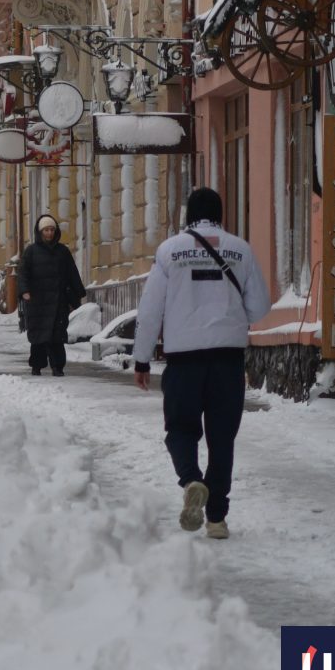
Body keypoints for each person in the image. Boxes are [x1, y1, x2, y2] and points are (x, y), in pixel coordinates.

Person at [132, 187, 269, 540]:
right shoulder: (241, 249)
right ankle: (217, 519)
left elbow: (150, 312)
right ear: (220, 213)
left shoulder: (169, 251)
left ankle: (192, 479)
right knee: (222, 438)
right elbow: (259, 307)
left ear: (189, 216)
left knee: (180, 428)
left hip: (184, 360)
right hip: (227, 359)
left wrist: (142, 359)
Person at [16, 214, 85, 376]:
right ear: (40, 232)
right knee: (38, 336)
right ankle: (37, 365)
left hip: (58, 301)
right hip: (37, 301)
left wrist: (78, 293)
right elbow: (23, 273)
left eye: (52, 230)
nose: (49, 233)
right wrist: (24, 291)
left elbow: (72, 273)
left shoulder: (63, 252)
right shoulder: (31, 252)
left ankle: (57, 366)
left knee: (57, 336)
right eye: (46, 230)